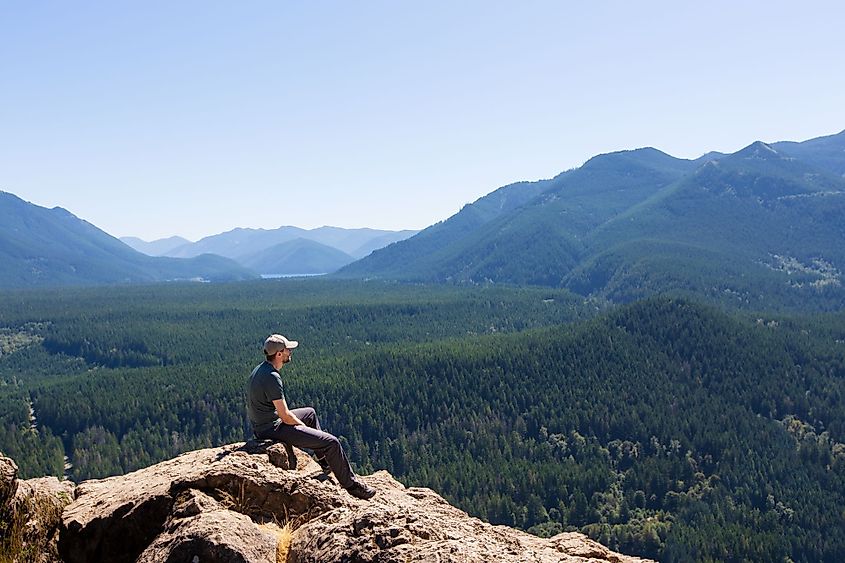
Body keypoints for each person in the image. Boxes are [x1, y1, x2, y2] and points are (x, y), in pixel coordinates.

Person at [246, 333, 376, 500]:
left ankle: (323, 460)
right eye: (287, 350)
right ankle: (352, 486)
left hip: (263, 424)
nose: (290, 353)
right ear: (279, 354)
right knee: (332, 442)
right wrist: (302, 428)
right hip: (270, 428)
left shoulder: (261, 369)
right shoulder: (272, 377)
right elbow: (285, 416)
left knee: (310, 413)